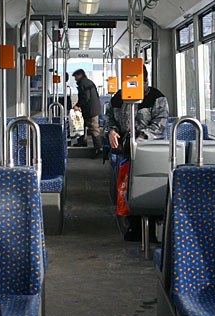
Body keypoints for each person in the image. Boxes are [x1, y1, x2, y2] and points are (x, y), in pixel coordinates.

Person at [103, 66, 169, 241]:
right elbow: (109, 118)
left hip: (150, 150)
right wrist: (111, 131)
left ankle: (152, 228)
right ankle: (133, 226)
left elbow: (160, 123)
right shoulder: (118, 97)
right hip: (125, 149)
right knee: (128, 187)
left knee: (146, 187)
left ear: (144, 78)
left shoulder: (156, 97)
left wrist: (142, 136)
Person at [72, 69, 102, 155]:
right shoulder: (87, 82)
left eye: (76, 76)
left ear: (80, 75)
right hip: (92, 108)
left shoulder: (83, 83)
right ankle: (82, 141)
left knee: (94, 128)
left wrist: (78, 105)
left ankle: (98, 147)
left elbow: (85, 97)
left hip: (91, 109)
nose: (75, 79)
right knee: (83, 125)